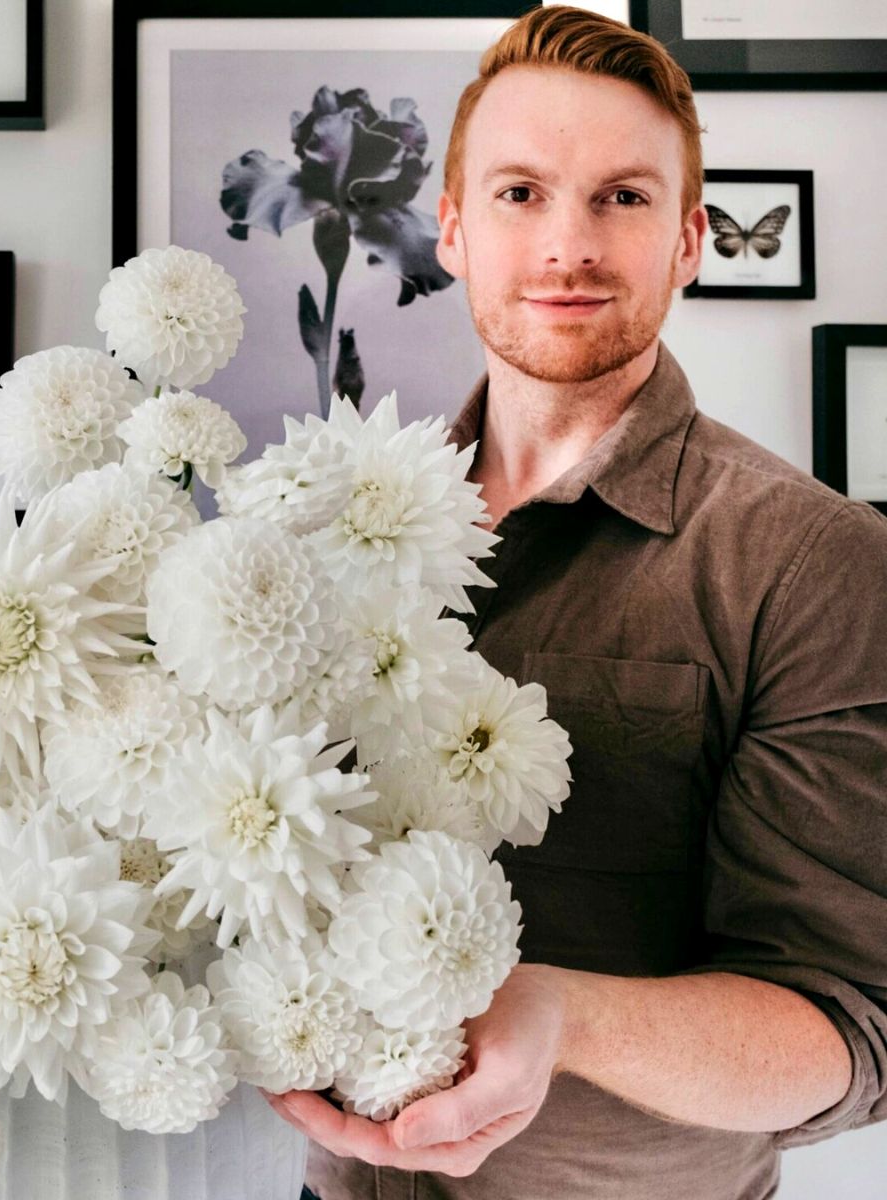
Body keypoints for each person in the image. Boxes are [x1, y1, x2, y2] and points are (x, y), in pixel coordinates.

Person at [264, 6, 887, 1198]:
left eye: (624, 198)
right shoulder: (321, 535)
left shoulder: (815, 563)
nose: (568, 245)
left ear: (691, 238)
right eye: (519, 194)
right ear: (450, 228)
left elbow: (848, 1031)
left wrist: (556, 1015)